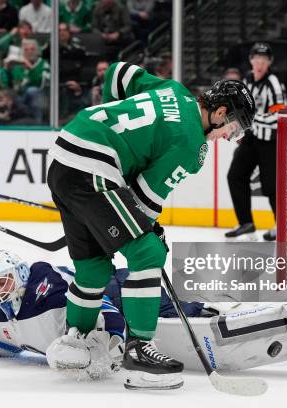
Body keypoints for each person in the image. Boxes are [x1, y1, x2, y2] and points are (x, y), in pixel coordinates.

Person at [46, 61, 255, 390]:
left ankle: (75, 340)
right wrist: (147, 227)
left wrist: (112, 117)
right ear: (220, 112)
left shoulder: (174, 90)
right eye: (234, 126)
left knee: (93, 266)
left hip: (65, 151)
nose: (231, 137)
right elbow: (144, 198)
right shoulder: (193, 147)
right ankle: (139, 350)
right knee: (147, 251)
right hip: (94, 168)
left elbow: (119, 72)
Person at [0, 250, 287, 376]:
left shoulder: (40, 278)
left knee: (186, 311)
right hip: (115, 295)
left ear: (16, 275)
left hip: (119, 290)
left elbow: (100, 303)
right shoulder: (0, 318)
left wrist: (115, 339)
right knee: (190, 310)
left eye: (2, 282)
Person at [226, 42, 286, 242]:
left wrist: (252, 119)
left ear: (269, 62)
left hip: (270, 140)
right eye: (256, 59)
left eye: (264, 60)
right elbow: (241, 109)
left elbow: (279, 115)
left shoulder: (274, 83)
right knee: (235, 175)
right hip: (252, 138)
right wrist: (240, 128)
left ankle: (283, 226)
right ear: (251, 60)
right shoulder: (247, 81)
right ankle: (246, 223)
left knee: (271, 185)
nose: (259, 63)